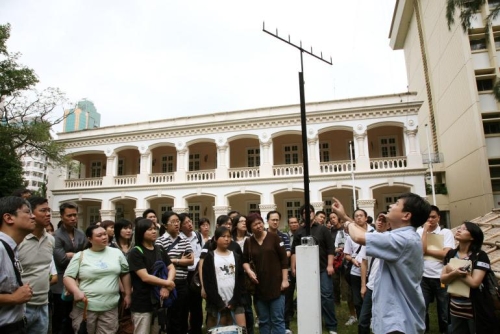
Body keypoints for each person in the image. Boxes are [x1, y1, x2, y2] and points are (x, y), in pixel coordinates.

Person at [331, 193, 431, 334]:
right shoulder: (404, 237)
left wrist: (345, 221)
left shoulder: (402, 240)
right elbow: (364, 233)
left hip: (398, 323)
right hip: (398, 319)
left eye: (396, 203)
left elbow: (358, 236)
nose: (390, 205)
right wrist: (346, 217)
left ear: (406, 215)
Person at [63, 225, 131, 333]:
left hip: (110, 307)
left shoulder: (116, 253)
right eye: (99, 235)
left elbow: (125, 273)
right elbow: (68, 277)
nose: (104, 237)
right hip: (85, 307)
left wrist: (127, 294)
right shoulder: (81, 256)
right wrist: (76, 291)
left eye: (105, 234)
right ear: (90, 239)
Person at [441, 222, 499, 334]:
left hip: (474, 307)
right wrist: (456, 273)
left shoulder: (480, 256)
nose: (458, 230)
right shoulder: (451, 254)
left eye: (464, 229)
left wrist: (453, 271)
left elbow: (474, 283)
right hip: (455, 306)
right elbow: (443, 279)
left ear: (472, 237)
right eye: (459, 228)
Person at [291, 205, 338, 334]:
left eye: (310, 212)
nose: (308, 214)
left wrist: (330, 265)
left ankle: (331, 325)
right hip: (305, 270)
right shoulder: (299, 231)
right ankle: (310, 320)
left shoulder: (323, 230)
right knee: (306, 296)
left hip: (323, 268)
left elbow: (330, 248)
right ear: (302, 215)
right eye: (305, 213)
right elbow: (294, 250)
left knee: (326, 295)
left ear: (313, 213)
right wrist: (294, 266)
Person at [128, 218, 176, 334]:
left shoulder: (159, 249)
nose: (154, 232)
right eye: (149, 229)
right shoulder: (136, 252)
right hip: (142, 303)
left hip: (159, 301)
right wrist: (167, 283)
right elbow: (145, 277)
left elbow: (171, 268)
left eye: (155, 229)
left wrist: (166, 286)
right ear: (141, 232)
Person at [243, 213, 288, 334]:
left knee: (277, 319)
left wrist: (285, 280)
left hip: (276, 285)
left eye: (260, 223)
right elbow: (245, 261)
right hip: (259, 286)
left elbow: (284, 260)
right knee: (264, 320)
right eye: (255, 224)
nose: (258, 226)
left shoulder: (274, 237)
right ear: (250, 228)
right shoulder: (248, 242)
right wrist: (249, 271)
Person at [18, 196, 55, 334]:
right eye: (43, 210)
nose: (48, 214)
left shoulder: (50, 239)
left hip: (43, 305)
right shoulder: (19, 240)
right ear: (31, 214)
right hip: (21, 307)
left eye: (49, 210)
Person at [0, 196, 35, 334]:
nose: (33, 217)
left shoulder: (11, 248)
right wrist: (13, 298)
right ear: (9, 218)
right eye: (27, 212)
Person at [416, 205, 454, 333]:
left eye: (433, 217)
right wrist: (425, 232)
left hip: (440, 277)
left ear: (438, 218)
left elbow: (445, 254)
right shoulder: (419, 232)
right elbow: (419, 251)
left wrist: (426, 250)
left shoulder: (446, 232)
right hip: (423, 277)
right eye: (427, 217)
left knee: (444, 310)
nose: (430, 220)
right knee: (422, 308)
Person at [155, 211, 194, 334]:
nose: (176, 224)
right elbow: (161, 263)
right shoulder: (160, 242)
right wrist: (180, 259)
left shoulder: (184, 239)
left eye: (178, 221)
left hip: (183, 282)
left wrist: (172, 260)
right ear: (165, 225)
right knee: (172, 317)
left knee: (183, 314)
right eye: (173, 222)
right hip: (169, 283)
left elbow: (191, 261)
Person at [52, 202, 86, 334]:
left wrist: (72, 255)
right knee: (60, 319)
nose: (73, 218)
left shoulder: (80, 234)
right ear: (61, 216)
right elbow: (61, 260)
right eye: (69, 215)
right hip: (60, 283)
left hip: (78, 281)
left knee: (74, 318)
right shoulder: (56, 236)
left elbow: (86, 257)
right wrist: (78, 256)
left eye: (75, 215)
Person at [202, 226, 246, 329]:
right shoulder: (210, 257)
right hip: (215, 303)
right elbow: (208, 282)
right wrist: (219, 303)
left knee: (241, 329)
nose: (226, 239)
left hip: (235, 301)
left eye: (229, 236)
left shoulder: (236, 256)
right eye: (223, 236)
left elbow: (240, 280)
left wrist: (234, 300)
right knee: (216, 330)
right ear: (216, 239)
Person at [358, 211, 389, 334]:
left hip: (386, 287)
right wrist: (363, 285)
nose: (380, 222)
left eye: (383, 220)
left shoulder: (392, 239)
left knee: (383, 319)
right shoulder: (369, 238)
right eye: (378, 219)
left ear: (389, 224)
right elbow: (364, 262)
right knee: (363, 320)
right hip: (371, 285)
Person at [343, 208, 373, 320]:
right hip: (356, 272)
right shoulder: (351, 235)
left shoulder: (373, 232)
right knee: (357, 299)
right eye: (356, 216)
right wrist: (352, 260)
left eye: (361, 215)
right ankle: (362, 321)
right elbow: (346, 254)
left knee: (371, 298)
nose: (359, 217)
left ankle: (372, 319)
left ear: (366, 218)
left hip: (371, 272)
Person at [179, 213, 203, 334]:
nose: (189, 224)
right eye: (186, 223)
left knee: (197, 305)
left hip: (196, 274)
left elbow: (201, 255)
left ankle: (196, 329)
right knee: (184, 306)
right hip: (184, 275)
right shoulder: (179, 238)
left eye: (190, 221)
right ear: (180, 226)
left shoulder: (197, 235)